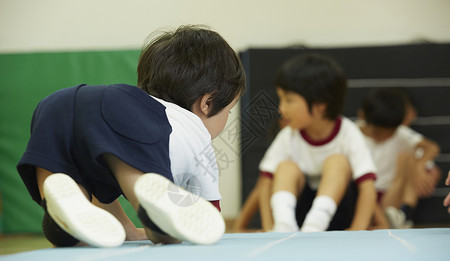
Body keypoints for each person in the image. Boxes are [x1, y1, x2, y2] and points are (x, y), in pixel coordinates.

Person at [17, 25, 246, 247]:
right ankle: (150, 211)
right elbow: (208, 215)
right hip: (123, 119)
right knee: (150, 198)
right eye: (229, 109)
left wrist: (127, 230)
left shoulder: (133, 101)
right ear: (207, 103)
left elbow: (104, 192)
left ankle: (61, 198)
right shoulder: (194, 132)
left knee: (76, 182)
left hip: (56, 104)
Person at [235, 53, 377, 233]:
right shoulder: (289, 135)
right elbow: (264, 184)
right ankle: (283, 225)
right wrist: (267, 226)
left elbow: (367, 187)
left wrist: (358, 229)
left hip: (339, 215)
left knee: (338, 162)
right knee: (286, 167)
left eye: (289, 100)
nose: (281, 108)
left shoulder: (348, 132)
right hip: (299, 215)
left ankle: (315, 224)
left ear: (320, 105)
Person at [358, 88, 440, 229]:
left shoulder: (400, 133)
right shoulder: (353, 134)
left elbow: (432, 148)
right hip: (363, 193)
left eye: (390, 134)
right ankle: (381, 221)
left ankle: (403, 214)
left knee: (409, 158)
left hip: (390, 195)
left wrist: (420, 166)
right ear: (362, 117)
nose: (384, 138)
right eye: (378, 133)